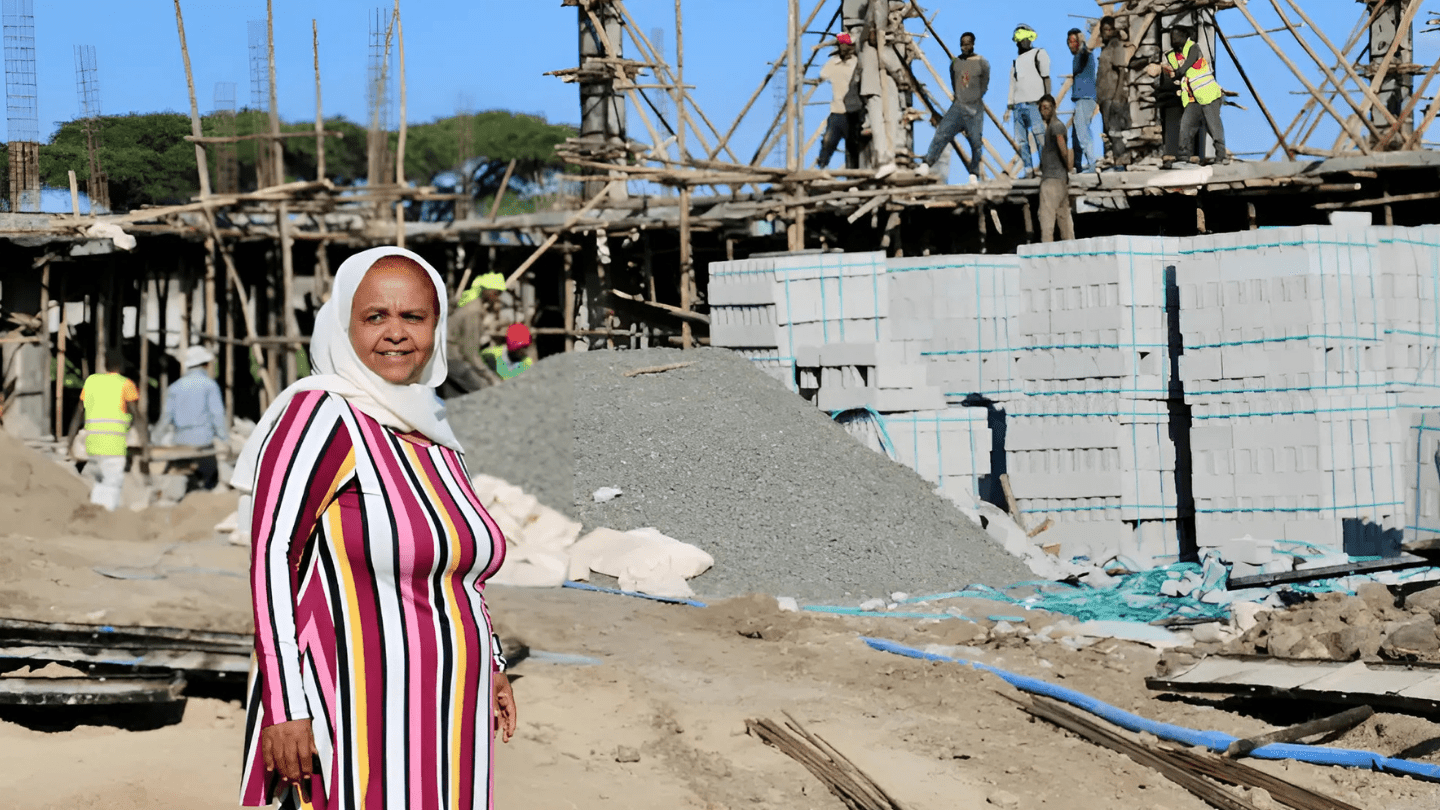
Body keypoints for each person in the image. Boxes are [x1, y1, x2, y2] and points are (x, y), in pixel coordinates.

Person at [232, 247, 517, 810]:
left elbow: (462, 574)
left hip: (446, 711)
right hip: (352, 709)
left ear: (436, 327)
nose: (395, 333)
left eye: (414, 317)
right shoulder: (321, 415)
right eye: (375, 317)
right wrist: (287, 706)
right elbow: (272, 557)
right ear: (344, 324)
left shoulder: (431, 429)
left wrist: (494, 666)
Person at [918, 31, 989, 182]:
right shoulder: (955, 63)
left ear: (973, 44)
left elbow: (984, 85)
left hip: (974, 107)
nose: (965, 46)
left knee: (976, 142)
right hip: (958, 105)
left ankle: (973, 174)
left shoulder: (982, 62)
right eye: (962, 43)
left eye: (968, 43)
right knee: (942, 133)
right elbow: (954, 82)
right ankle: (926, 163)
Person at [157, 345, 228, 491]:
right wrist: (225, 439)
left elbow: (165, 419)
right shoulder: (209, 386)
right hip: (203, 442)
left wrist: (155, 440)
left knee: (184, 474)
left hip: (180, 441)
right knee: (209, 477)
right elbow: (217, 416)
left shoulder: (174, 387)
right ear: (205, 364)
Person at [78, 347, 138, 511]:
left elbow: (78, 413)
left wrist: (71, 441)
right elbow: (137, 416)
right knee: (112, 486)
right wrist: (145, 442)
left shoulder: (91, 381)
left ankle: (95, 516)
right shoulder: (126, 384)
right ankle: (106, 521)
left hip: (93, 446)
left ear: (105, 365)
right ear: (121, 365)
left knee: (99, 485)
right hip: (113, 447)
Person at [1163, 25, 1228, 166]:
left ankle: (1221, 156)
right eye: (1172, 36)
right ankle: (1183, 157)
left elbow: (1183, 69)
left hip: (1208, 93)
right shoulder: (1172, 55)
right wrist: (1170, 72)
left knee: (1213, 126)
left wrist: (1174, 72)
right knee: (1185, 126)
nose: (1173, 38)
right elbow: (1176, 76)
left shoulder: (1193, 48)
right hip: (1192, 98)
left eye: (1177, 35)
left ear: (1185, 37)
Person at [1005, 24, 1051, 178]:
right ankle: (1028, 170)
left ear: (1029, 40)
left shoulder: (1039, 53)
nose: (1021, 43)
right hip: (1018, 106)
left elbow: (1046, 78)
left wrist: (1048, 101)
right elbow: (1012, 85)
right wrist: (1008, 108)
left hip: (1034, 103)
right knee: (1022, 141)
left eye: (1024, 39)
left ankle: (1047, 168)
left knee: (1040, 137)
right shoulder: (1015, 62)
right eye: (1019, 40)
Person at [816, 33, 862, 170]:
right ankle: (822, 169)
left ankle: (854, 176)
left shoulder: (856, 63)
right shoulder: (833, 63)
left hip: (854, 111)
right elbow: (822, 75)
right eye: (841, 45)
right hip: (837, 110)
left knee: (854, 146)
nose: (844, 48)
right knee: (828, 142)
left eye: (846, 45)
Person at [1036, 94, 1074, 243]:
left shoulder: (1056, 126)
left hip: (1052, 181)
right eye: (1041, 108)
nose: (1043, 111)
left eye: (1046, 108)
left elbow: (1063, 149)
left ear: (1053, 108)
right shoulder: (1052, 127)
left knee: (1047, 222)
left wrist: (1068, 165)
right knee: (1064, 222)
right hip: (1060, 181)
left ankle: (1046, 258)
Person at [1096, 16, 1131, 169]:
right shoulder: (1105, 48)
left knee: (1116, 133)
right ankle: (1112, 165)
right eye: (1104, 30)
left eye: (1109, 29)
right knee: (1108, 134)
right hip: (1104, 96)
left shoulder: (1116, 45)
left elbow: (1121, 70)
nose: (1106, 33)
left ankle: (1121, 166)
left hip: (1113, 95)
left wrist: (1118, 96)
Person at [1068, 27, 1098, 173]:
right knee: (1078, 132)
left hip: (1085, 97)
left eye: (1074, 41)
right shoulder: (1077, 56)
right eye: (1069, 42)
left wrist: (1083, 43)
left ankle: (1092, 163)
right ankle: (1078, 165)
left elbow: (1085, 53)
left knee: (1082, 131)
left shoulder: (1083, 53)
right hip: (1083, 98)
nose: (1071, 44)